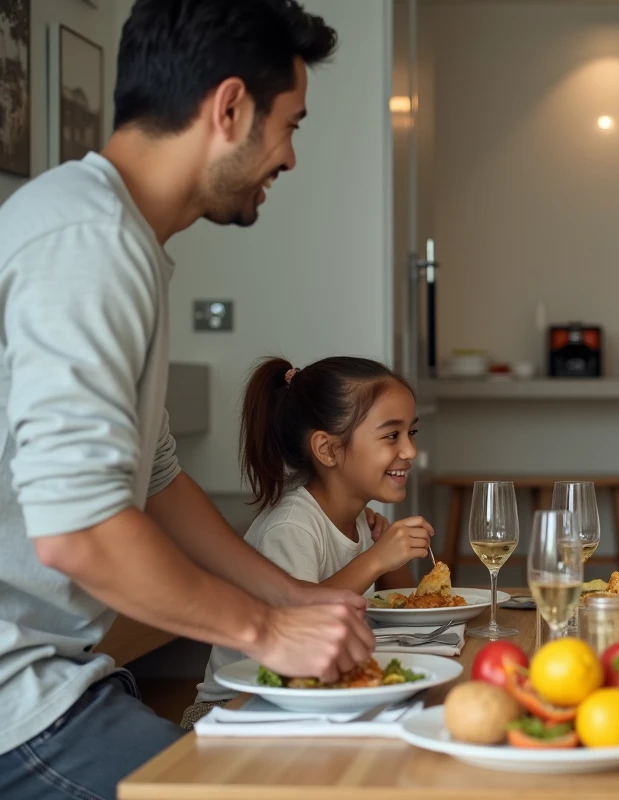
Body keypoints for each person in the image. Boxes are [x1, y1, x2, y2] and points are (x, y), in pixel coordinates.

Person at [0, 2, 377, 798]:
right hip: (18, 704)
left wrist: (297, 597)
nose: (291, 157)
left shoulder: (118, 237)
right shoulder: (89, 246)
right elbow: (77, 533)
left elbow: (161, 479)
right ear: (229, 106)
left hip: (63, 677)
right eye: (291, 124)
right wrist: (268, 628)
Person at [185, 357, 434, 724]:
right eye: (391, 435)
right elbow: (298, 625)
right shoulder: (292, 526)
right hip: (237, 709)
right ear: (328, 449)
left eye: (412, 432)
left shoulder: (358, 520)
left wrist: (390, 560)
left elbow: (405, 614)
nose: (410, 451)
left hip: (309, 698)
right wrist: (376, 560)